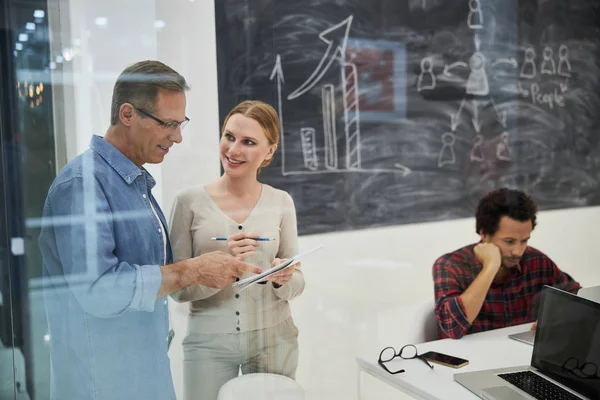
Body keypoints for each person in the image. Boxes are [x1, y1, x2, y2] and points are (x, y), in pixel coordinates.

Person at [38, 61, 261, 400]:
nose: (178, 136)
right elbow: (99, 289)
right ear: (127, 114)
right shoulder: (83, 185)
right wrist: (190, 270)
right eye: (168, 124)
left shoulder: (133, 182)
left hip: (142, 375)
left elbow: (155, 272)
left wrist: (212, 261)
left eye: (181, 123)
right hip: (101, 385)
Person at [169, 100, 304, 400]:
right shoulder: (187, 202)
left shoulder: (282, 202)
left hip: (275, 338)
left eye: (248, 142)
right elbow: (176, 290)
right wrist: (220, 268)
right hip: (208, 341)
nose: (233, 150)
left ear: (269, 151)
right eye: (229, 136)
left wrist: (283, 279)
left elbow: (298, 282)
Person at [432, 188, 581, 339]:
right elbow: (452, 328)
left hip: (517, 355)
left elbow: (579, 298)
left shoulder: (535, 260)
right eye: (509, 241)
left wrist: (555, 318)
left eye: (524, 240)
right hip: (468, 360)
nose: (518, 251)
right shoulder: (450, 265)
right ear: (484, 234)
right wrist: (490, 268)